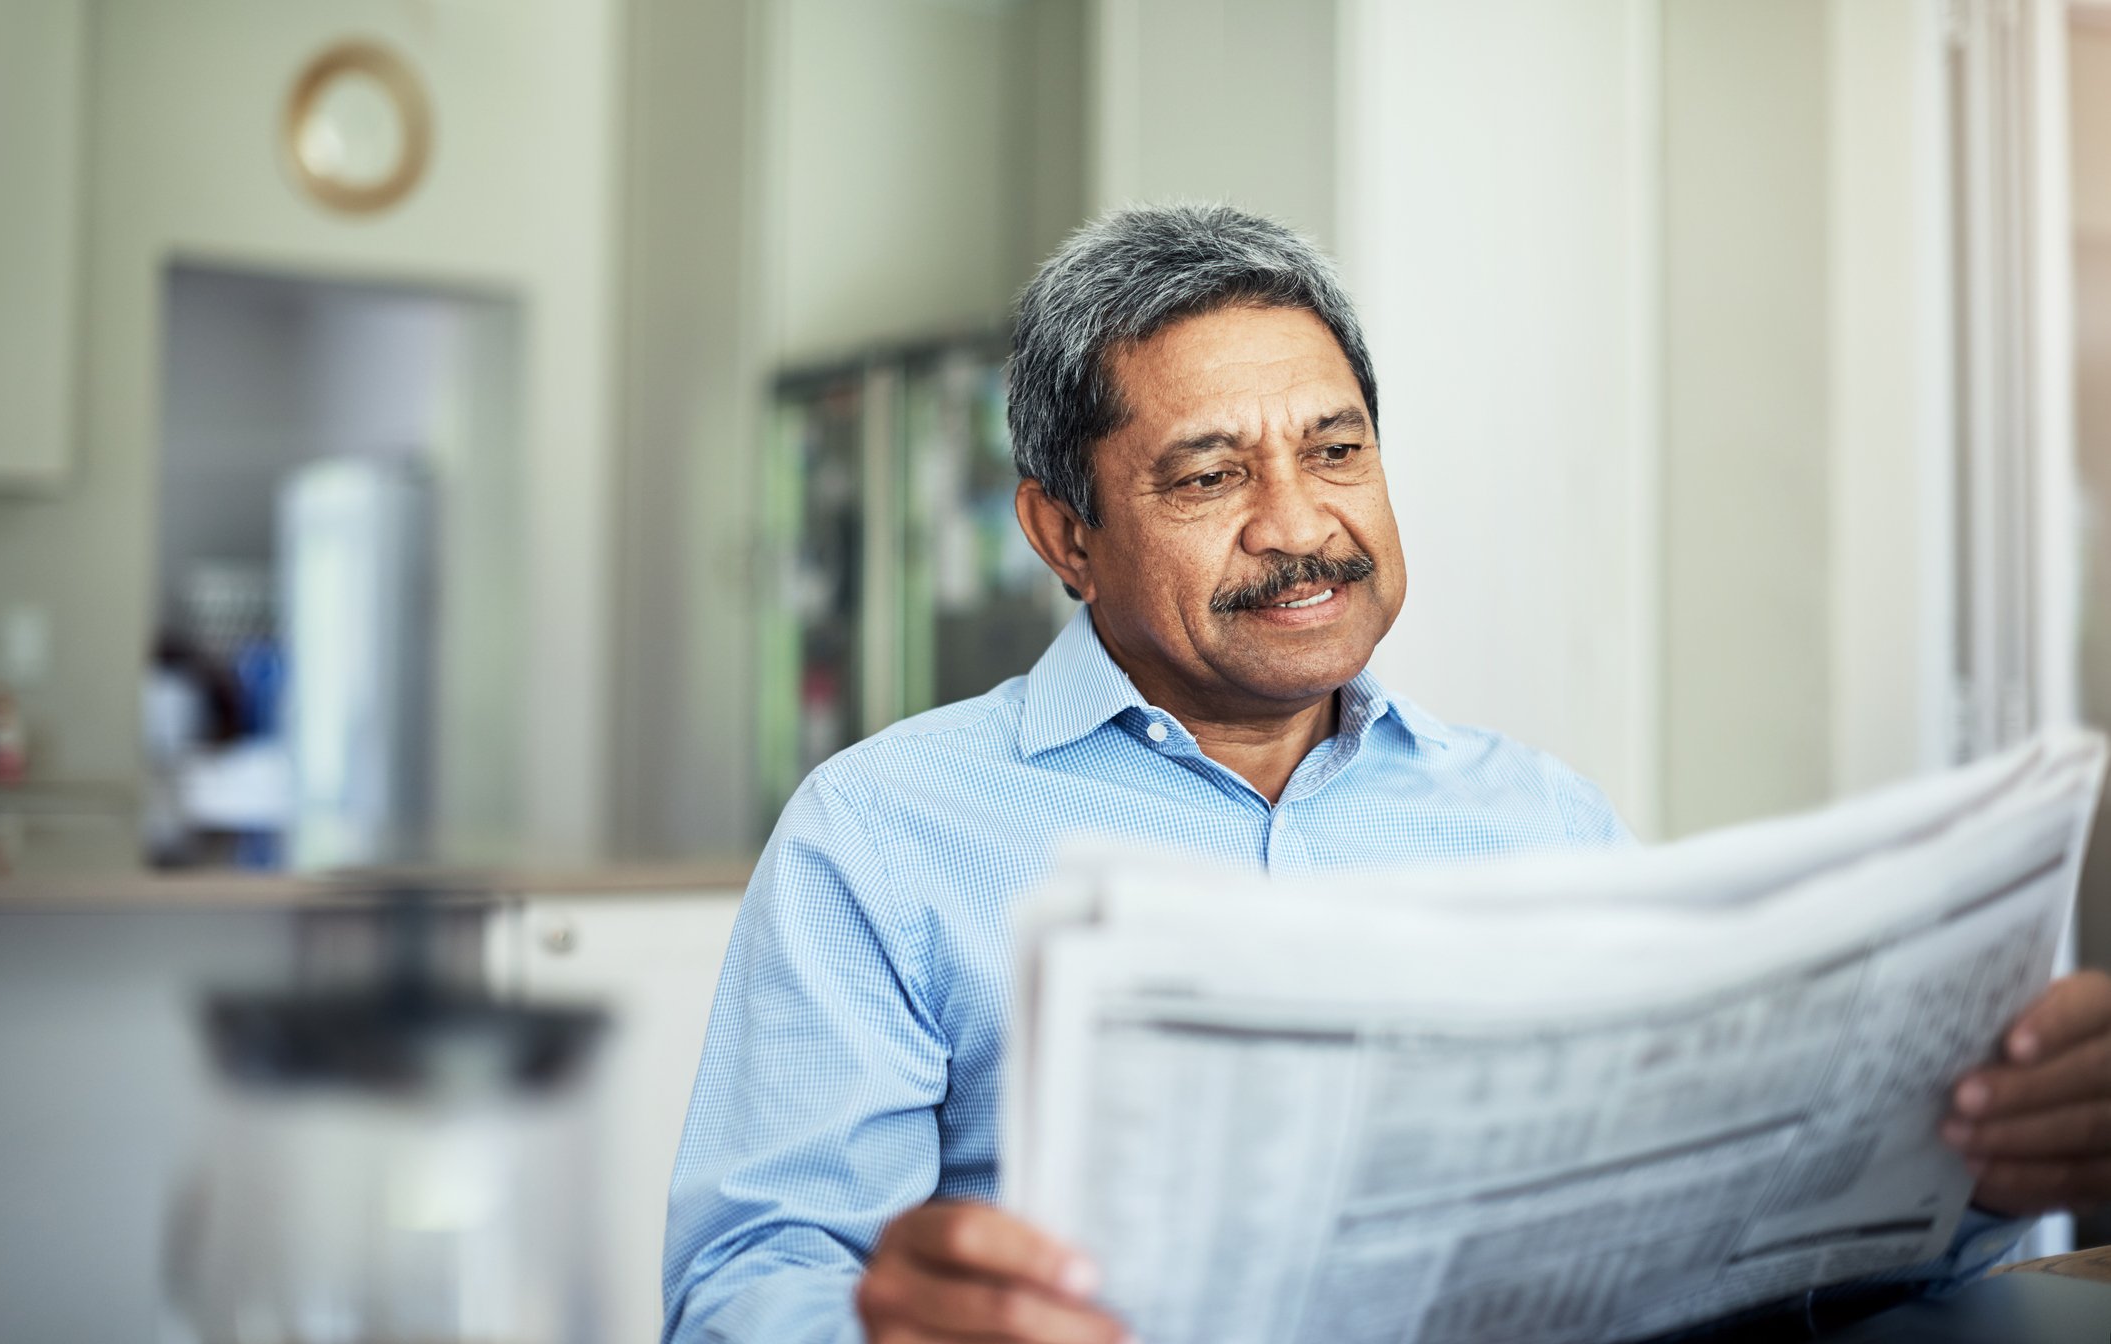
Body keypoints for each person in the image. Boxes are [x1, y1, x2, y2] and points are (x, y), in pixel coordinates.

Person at [663, 203, 2111, 1344]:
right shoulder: (884, 831)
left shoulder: (1533, 814)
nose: (1301, 526)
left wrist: (1965, 1177)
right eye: (1209, 475)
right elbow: (742, 1281)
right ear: (1061, 534)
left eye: (1335, 449)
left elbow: (1711, 1260)